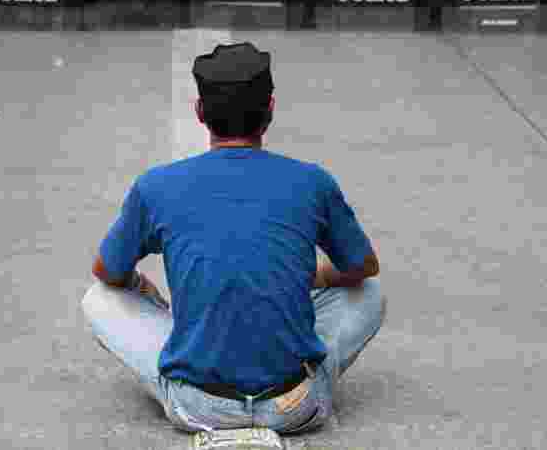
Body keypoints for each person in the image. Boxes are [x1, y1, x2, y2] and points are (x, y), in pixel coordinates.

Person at [81, 42, 386, 435]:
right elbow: (364, 267)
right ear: (271, 109)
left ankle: (194, 361)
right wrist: (314, 277)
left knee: (99, 298)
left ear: (200, 113)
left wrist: (140, 285)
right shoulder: (312, 181)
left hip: (200, 407)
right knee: (370, 293)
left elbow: (107, 272)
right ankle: (305, 381)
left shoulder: (156, 185)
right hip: (292, 407)